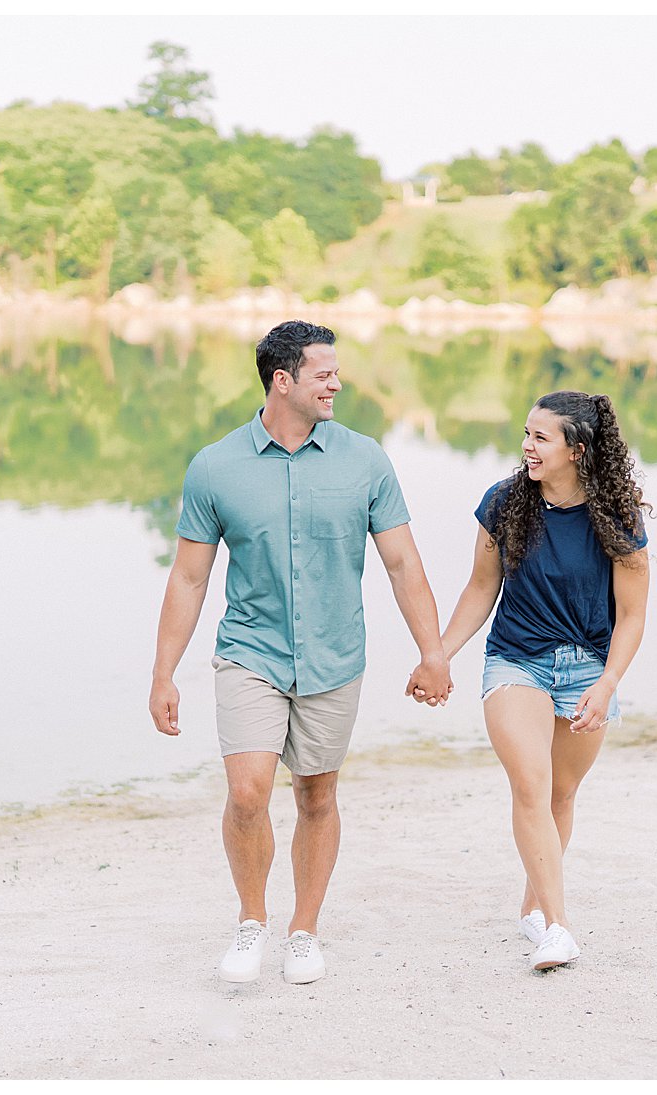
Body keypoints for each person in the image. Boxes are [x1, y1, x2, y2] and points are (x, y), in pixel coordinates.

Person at [149, 320, 451, 986]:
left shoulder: (365, 458)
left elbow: (401, 563)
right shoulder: (215, 466)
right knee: (248, 792)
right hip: (250, 652)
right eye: (323, 373)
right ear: (283, 380)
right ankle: (251, 919)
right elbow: (190, 577)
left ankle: (304, 930)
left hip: (335, 656)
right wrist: (164, 672)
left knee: (316, 793)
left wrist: (433, 652)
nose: (337, 383)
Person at [435, 390, 650, 971]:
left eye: (540, 437)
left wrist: (606, 685)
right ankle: (558, 927)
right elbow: (481, 588)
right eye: (526, 434)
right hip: (516, 659)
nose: (526, 447)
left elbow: (632, 614)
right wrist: (440, 653)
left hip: (587, 667)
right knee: (530, 785)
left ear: (576, 450)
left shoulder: (617, 517)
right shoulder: (505, 503)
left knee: (560, 793)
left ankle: (533, 906)